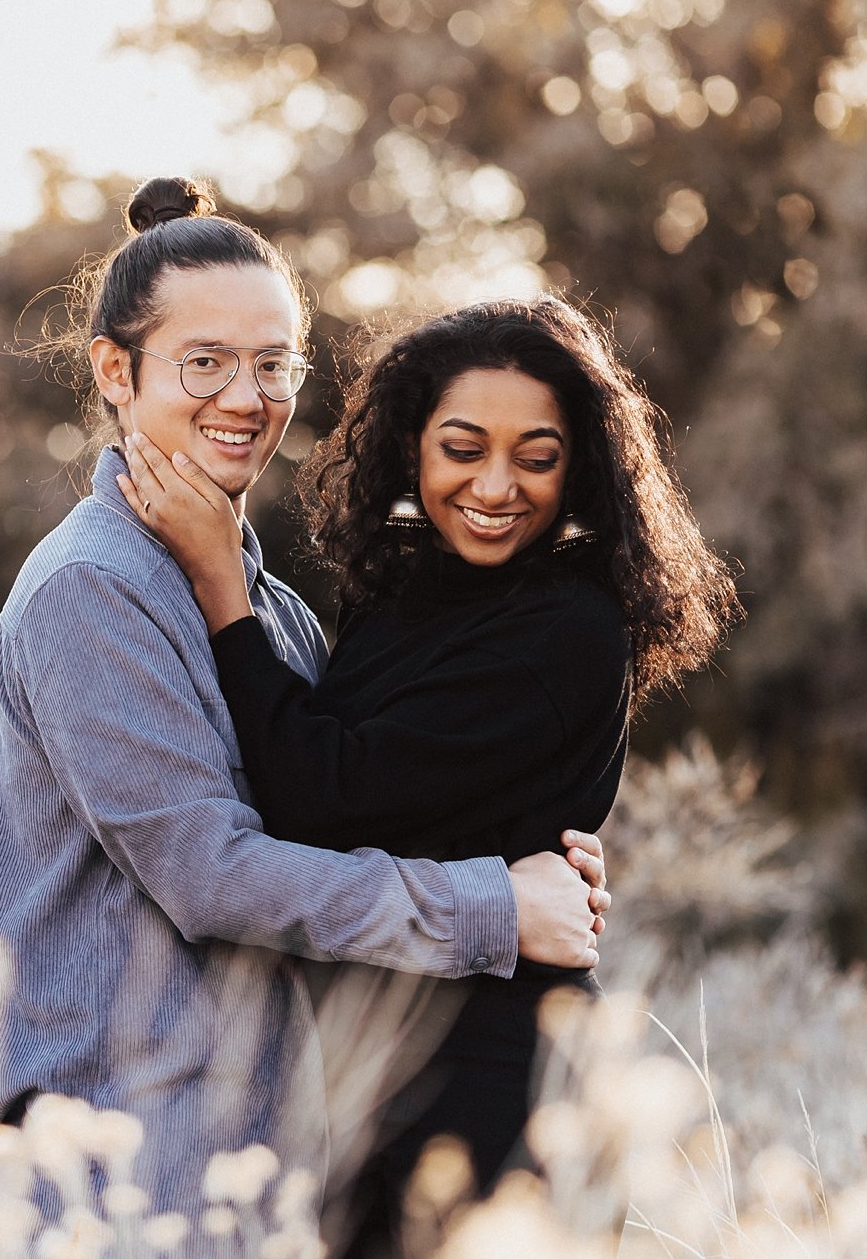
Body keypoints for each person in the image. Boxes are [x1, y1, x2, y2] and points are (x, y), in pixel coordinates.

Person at [0, 178, 610, 1232]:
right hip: (121, 1174)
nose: (244, 397)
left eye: (271, 365)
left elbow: (333, 805)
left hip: (251, 1172)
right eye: (204, 363)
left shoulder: (262, 603)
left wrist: (533, 845)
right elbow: (213, 876)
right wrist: (497, 907)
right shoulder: (90, 588)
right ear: (113, 374)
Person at [117, 294, 738, 1253]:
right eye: (462, 448)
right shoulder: (406, 591)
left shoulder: (568, 630)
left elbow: (323, 794)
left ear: (580, 472)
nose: (496, 486)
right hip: (375, 1061)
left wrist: (221, 595)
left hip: (495, 1079)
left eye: (537, 456)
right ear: (413, 448)